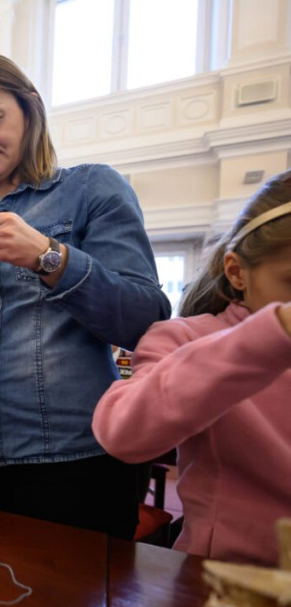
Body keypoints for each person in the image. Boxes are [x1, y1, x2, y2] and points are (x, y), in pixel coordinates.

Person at [0, 53, 171, 538]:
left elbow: (145, 320)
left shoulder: (91, 190)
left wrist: (51, 257)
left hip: (72, 461)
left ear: (29, 109)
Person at [93, 170, 291, 565]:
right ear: (237, 272)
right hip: (229, 590)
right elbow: (120, 430)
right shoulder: (185, 338)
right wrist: (273, 333)